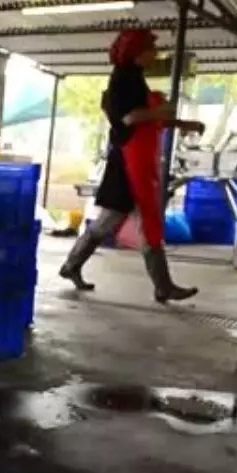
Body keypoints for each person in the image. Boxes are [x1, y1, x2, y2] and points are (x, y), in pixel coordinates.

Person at [59, 28, 206, 303]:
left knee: (113, 222)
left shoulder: (135, 78)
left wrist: (183, 124)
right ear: (137, 52)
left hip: (137, 161)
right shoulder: (123, 80)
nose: (155, 53)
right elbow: (128, 118)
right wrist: (160, 111)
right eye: (151, 49)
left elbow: (150, 120)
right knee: (136, 220)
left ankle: (72, 266)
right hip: (128, 164)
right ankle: (162, 286)